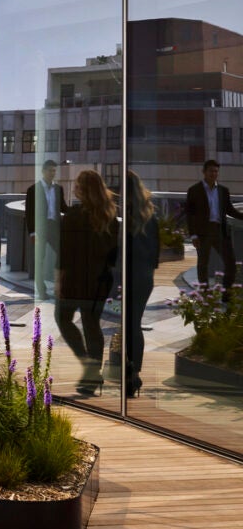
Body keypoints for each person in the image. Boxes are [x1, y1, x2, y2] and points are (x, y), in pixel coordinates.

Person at [56, 170, 120, 397]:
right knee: (92, 326)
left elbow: (63, 252)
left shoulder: (72, 215)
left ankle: (90, 369)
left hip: (75, 278)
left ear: (82, 189)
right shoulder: (111, 216)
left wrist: (59, 279)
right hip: (100, 279)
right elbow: (114, 255)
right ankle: (92, 373)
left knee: (62, 318)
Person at [123, 171, 159, 399]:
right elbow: (156, 252)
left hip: (131, 275)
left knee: (130, 324)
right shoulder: (149, 214)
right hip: (145, 276)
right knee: (134, 323)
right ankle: (133, 371)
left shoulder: (126, 214)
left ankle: (132, 374)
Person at [185, 159, 242, 288]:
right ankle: (204, 294)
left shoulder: (223, 190)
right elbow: (190, 214)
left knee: (230, 263)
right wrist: (193, 235)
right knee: (203, 264)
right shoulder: (194, 190)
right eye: (211, 171)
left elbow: (230, 210)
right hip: (202, 233)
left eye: (216, 171)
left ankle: (226, 293)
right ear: (204, 172)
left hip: (220, 231)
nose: (214, 173)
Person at [24, 159, 67, 300]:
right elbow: (29, 213)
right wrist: (32, 232)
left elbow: (63, 208)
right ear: (43, 171)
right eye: (50, 170)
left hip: (54, 228)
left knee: (63, 255)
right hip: (40, 230)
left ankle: (58, 288)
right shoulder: (33, 190)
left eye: (54, 170)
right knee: (39, 260)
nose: (52, 173)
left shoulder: (58, 189)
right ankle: (41, 291)